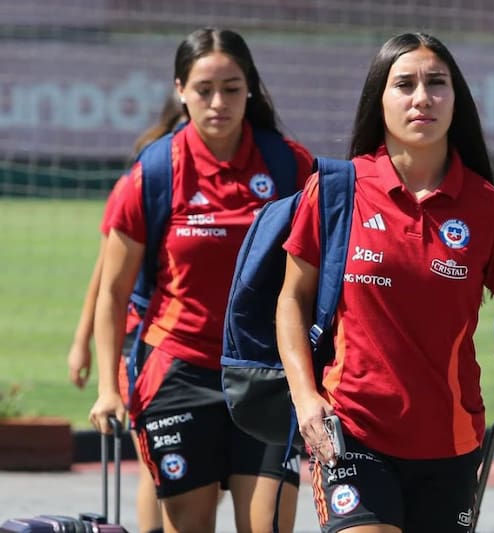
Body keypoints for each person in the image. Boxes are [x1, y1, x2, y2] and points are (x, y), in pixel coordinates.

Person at [275, 32, 494, 533]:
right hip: (352, 431)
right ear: (380, 99)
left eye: (436, 83)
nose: (422, 97)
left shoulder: (491, 211)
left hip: (451, 444)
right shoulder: (336, 191)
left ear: (456, 99)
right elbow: (292, 298)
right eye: (405, 84)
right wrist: (305, 397)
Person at [88, 27, 314, 533]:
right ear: (180, 90)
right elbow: (113, 291)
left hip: (266, 372)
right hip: (179, 374)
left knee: (268, 526)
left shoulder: (289, 166)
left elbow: (323, 274)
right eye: (204, 89)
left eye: (232, 88)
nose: (218, 102)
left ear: (250, 88)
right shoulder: (153, 172)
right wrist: (108, 386)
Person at [68, 93, 186, 533]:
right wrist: (82, 341)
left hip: (193, 346)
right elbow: (106, 277)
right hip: (142, 342)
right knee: (153, 459)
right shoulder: (145, 178)